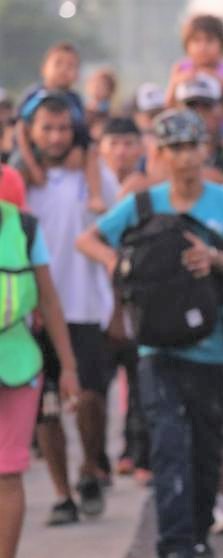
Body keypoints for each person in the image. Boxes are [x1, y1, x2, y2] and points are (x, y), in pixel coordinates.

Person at [76, 109, 223, 558]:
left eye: (191, 146)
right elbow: (88, 239)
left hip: (211, 350)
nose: (184, 157)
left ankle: (198, 537)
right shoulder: (144, 203)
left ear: (204, 148)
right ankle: (174, 544)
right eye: (174, 148)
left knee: (205, 451)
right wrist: (117, 264)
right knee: (167, 448)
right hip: (154, 349)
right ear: (158, 154)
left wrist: (215, 259)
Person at [23, 93, 119, 523]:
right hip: (33, 313)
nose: (56, 136)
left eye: (64, 127)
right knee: (43, 409)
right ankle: (63, 495)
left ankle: (90, 470)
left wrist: (118, 305)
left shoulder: (93, 176)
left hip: (86, 307)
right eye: (47, 127)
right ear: (32, 131)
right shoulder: (21, 181)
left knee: (90, 398)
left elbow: (118, 236)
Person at [0, 199, 79, 558]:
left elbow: (49, 301)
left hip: (17, 366)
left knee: (6, 473)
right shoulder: (24, 225)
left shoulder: (25, 227)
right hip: (19, 363)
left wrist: (69, 367)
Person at [96, 117, 153, 483]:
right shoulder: (91, 186)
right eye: (114, 143)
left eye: (129, 143)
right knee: (96, 386)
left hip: (136, 297)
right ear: (102, 148)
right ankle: (98, 460)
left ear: (140, 148)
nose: (121, 151)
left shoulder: (145, 189)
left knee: (140, 379)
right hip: (96, 300)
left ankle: (139, 453)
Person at [15, 42, 105, 214]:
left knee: (92, 154)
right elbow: (21, 131)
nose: (64, 70)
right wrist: (33, 166)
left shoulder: (75, 100)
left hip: (66, 153)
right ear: (44, 68)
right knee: (17, 168)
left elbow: (82, 131)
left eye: (71, 66)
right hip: (30, 152)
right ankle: (19, 205)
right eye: (58, 64)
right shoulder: (34, 95)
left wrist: (79, 149)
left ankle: (95, 196)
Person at [166, 13, 223, 119]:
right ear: (187, 45)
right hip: (187, 122)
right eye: (196, 41)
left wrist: (221, 82)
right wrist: (177, 82)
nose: (203, 47)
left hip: (222, 126)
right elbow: (168, 105)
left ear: (222, 44)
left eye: (209, 40)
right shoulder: (181, 68)